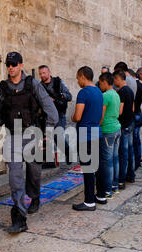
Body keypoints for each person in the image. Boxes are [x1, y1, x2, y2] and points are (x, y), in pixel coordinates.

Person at [0, 52, 58, 232]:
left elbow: (51, 111)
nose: (10, 67)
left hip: (33, 134)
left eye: (14, 64)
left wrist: (47, 135)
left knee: (34, 172)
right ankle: (20, 215)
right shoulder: (3, 88)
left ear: (21, 65)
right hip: (12, 136)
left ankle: (35, 197)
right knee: (15, 177)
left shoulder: (32, 85)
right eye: (8, 65)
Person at [71, 66, 103, 211]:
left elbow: (77, 116)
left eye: (78, 78)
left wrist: (72, 117)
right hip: (97, 130)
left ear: (83, 76)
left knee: (88, 168)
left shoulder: (83, 93)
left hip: (85, 133)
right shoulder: (98, 91)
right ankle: (101, 195)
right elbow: (101, 115)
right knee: (97, 166)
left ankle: (89, 201)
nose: (78, 81)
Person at [39, 65, 73, 166]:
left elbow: (69, 96)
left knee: (58, 136)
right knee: (47, 138)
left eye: (44, 73)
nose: (42, 75)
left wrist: (57, 98)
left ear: (49, 72)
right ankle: (50, 162)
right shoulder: (39, 86)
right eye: (40, 73)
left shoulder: (58, 82)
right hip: (47, 116)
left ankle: (68, 153)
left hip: (60, 114)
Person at [95, 72, 121, 199]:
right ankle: (114, 186)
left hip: (107, 130)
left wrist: (96, 125)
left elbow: (101, 115)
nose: (99, 85)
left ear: (105, 82)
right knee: (114, 158)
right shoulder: (116, 94)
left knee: (107, 162)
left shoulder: (105, 95)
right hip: (116, 127)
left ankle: (107, 190)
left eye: (100, 83)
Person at [114, 70, 135, 190]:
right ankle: (131, 175)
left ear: (118, 79)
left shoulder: (121, 92)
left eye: (114, 80)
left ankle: (121, 179)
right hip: (130, 122)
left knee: (122, 153)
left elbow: (119, 111)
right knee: (129, 151)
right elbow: (132, 107)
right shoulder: (130, 90)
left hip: (124, 125)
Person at [130, 70, 142, 170]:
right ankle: (138, 160)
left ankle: (135, 162)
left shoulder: (135, 85)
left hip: (135, 113)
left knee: (134, 140)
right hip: (140, 112)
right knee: (137, 139)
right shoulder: (141, 85)